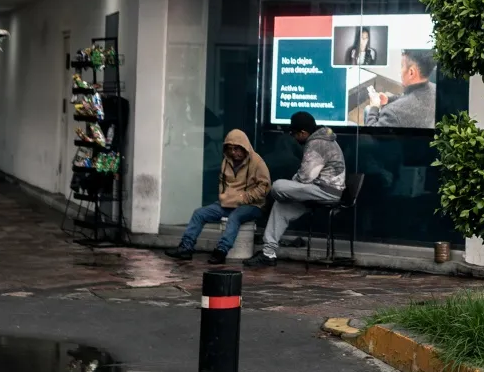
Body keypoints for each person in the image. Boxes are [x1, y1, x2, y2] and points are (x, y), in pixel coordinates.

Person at [248, 110, 347, 267]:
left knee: (278, 186)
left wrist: (288, 189)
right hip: (316, 190)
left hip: (326, 191)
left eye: (295, 134)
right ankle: (268, 253)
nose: (294, 138)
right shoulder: (321, 139)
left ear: (303, 132)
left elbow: (306, 176)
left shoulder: (317, 143)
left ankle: (267, 203)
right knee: (280, 206)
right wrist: (291, 191)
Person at [174, 129, 271, 264]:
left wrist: (244, 198)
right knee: (199, 213)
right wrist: (225, 197)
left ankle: (221, 251)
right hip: (229, 203)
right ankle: (185, 248)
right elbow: (222, 182)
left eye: (237, 149)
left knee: (235, 217)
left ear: (245, 148)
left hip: (253, 205)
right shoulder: (226, 162)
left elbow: (264, 187)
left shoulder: (257, 162)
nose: (233, 152)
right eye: (230, 149)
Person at [365, 49, 436, 129]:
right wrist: (388, 99)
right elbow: (407, 97)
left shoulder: (393, 113)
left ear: (411, 72)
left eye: (402, 66)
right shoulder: (435, 89)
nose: (400, 71)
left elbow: (371, 133)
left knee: (367, 110)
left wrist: (374, 107)